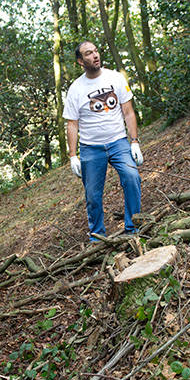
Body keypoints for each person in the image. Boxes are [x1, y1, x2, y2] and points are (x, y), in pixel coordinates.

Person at [64, 41, 143, 240]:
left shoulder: (115, 78)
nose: (95, 56)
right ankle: (97, 236)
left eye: (96, 51)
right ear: (81, 61)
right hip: (91, 148)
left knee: (132, 177)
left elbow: (128, 111)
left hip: (118, 142)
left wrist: (134, 141)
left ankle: (133, 227)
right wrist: (73, 155)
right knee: (92, 194)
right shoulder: (76, 89)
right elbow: (72, 124)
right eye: (89, 54)